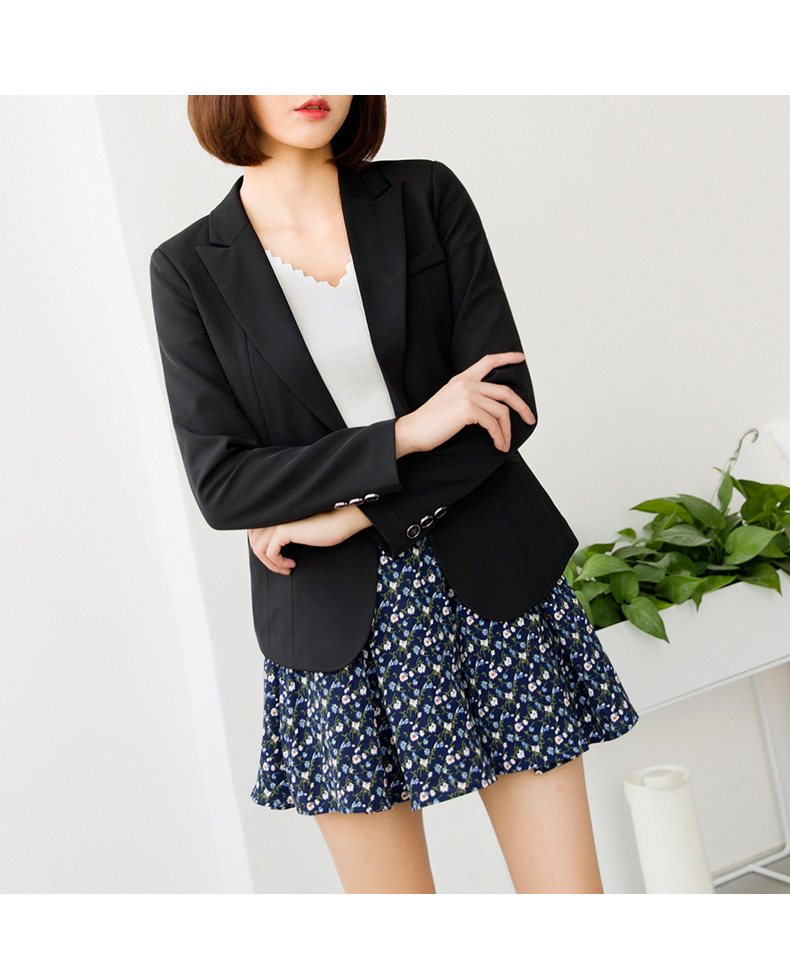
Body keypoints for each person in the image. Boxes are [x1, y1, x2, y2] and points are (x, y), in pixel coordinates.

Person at [149, 95, 640, 894]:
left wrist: (352, 514)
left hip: (493, 580)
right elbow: (225, 484)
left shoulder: (424, 195)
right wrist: (407, 433)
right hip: (332, 626)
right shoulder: (188, 269)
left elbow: (504, 405)